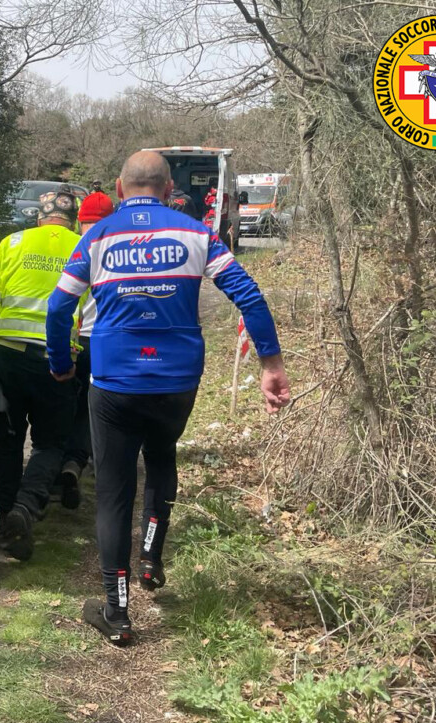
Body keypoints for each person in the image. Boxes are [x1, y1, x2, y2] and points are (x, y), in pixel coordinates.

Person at [46, 151, 290, 645]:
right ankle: (152, 559)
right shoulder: (196, 233)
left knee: (114, 491)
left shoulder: (98, 235)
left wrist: (61, 363)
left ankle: (116, 614)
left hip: (114, 380)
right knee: (160, 459)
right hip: (177, 379)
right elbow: (248, 294)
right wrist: (271, 365)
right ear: (167, 187)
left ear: (120, 187)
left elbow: (58, 306)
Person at [0, 184, 81, 561]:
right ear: (72, 218)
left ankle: (6, 517)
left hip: (7, 351)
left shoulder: (13, 242)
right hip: (56, 358)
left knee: (7, 437)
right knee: (51, 442)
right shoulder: (83, 246)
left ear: (39, 216)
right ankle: (26, 506)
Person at [56, 191, 114, 510]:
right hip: (102, 341)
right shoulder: (118, 249)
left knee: (65, 402)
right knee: (91, 409)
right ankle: (77, 463)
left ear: (80, 222)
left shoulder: (75, 248)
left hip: (72, 339)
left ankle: (57, 463)